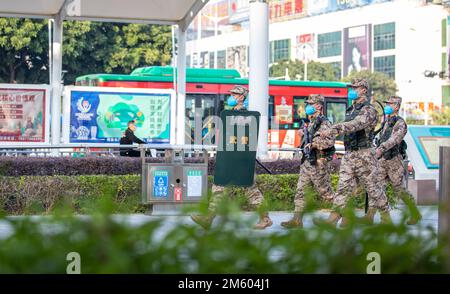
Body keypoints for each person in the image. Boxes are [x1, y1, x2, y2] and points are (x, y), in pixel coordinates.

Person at [191, 85, 273, 230]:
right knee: (219, 187)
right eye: (231, 94)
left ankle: (265, 218)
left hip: (241, 160)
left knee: (250, 189)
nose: (231, 97)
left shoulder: (245, 115)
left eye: (235, 95)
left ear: (242, 97)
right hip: (230, 159)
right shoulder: (230, 114)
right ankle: (208, 218)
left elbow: (243, 138)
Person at [314, 78, 391, 227]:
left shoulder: (369, 110)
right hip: (350, 154)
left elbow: (356, 124)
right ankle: (333, 219)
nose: (352, 90)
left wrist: (334, 129)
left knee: (373, 188)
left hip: (365, 155)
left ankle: (386, 218)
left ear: (364, 90)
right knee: (343, 187)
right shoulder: (351, 109)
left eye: (355, 87)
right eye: (352, 87)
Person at [281, 94, 335, 228]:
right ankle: (297, 220)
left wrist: (314, 144)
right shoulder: (311, 122)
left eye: (311, 104)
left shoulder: (324, 122)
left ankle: (343, 215)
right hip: (307, 162)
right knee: (301, 191)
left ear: (318, 106)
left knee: (326, 193)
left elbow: (329, 141)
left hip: (318, 162)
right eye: (308, 104)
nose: (308, 106)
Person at [374, 95, 422, 225]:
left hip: (394, 160)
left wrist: (381, 148)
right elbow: (383, 138)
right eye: (387, 103)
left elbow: (394, 140)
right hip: (383, 159)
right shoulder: (386, 121)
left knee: (399, 190)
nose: (387, 106)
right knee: (376, 187)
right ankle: (382, 217)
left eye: (390, 104)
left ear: (396, 107)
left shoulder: (400, 123)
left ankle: (415, 213)